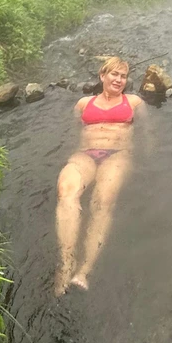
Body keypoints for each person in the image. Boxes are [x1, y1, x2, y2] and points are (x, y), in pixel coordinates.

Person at [55, 56, 142, 294]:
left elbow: (149, 133)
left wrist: (143, 158)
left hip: (117, 154)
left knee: (101, 201)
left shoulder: (133, 102)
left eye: (123, 76)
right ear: (102, 76)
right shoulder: (83, 104)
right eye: (114, 74)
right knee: (66, 190)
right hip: (85, 154)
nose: (119, 79)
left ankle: (84, 270)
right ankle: (66, 263)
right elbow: (68, 133)